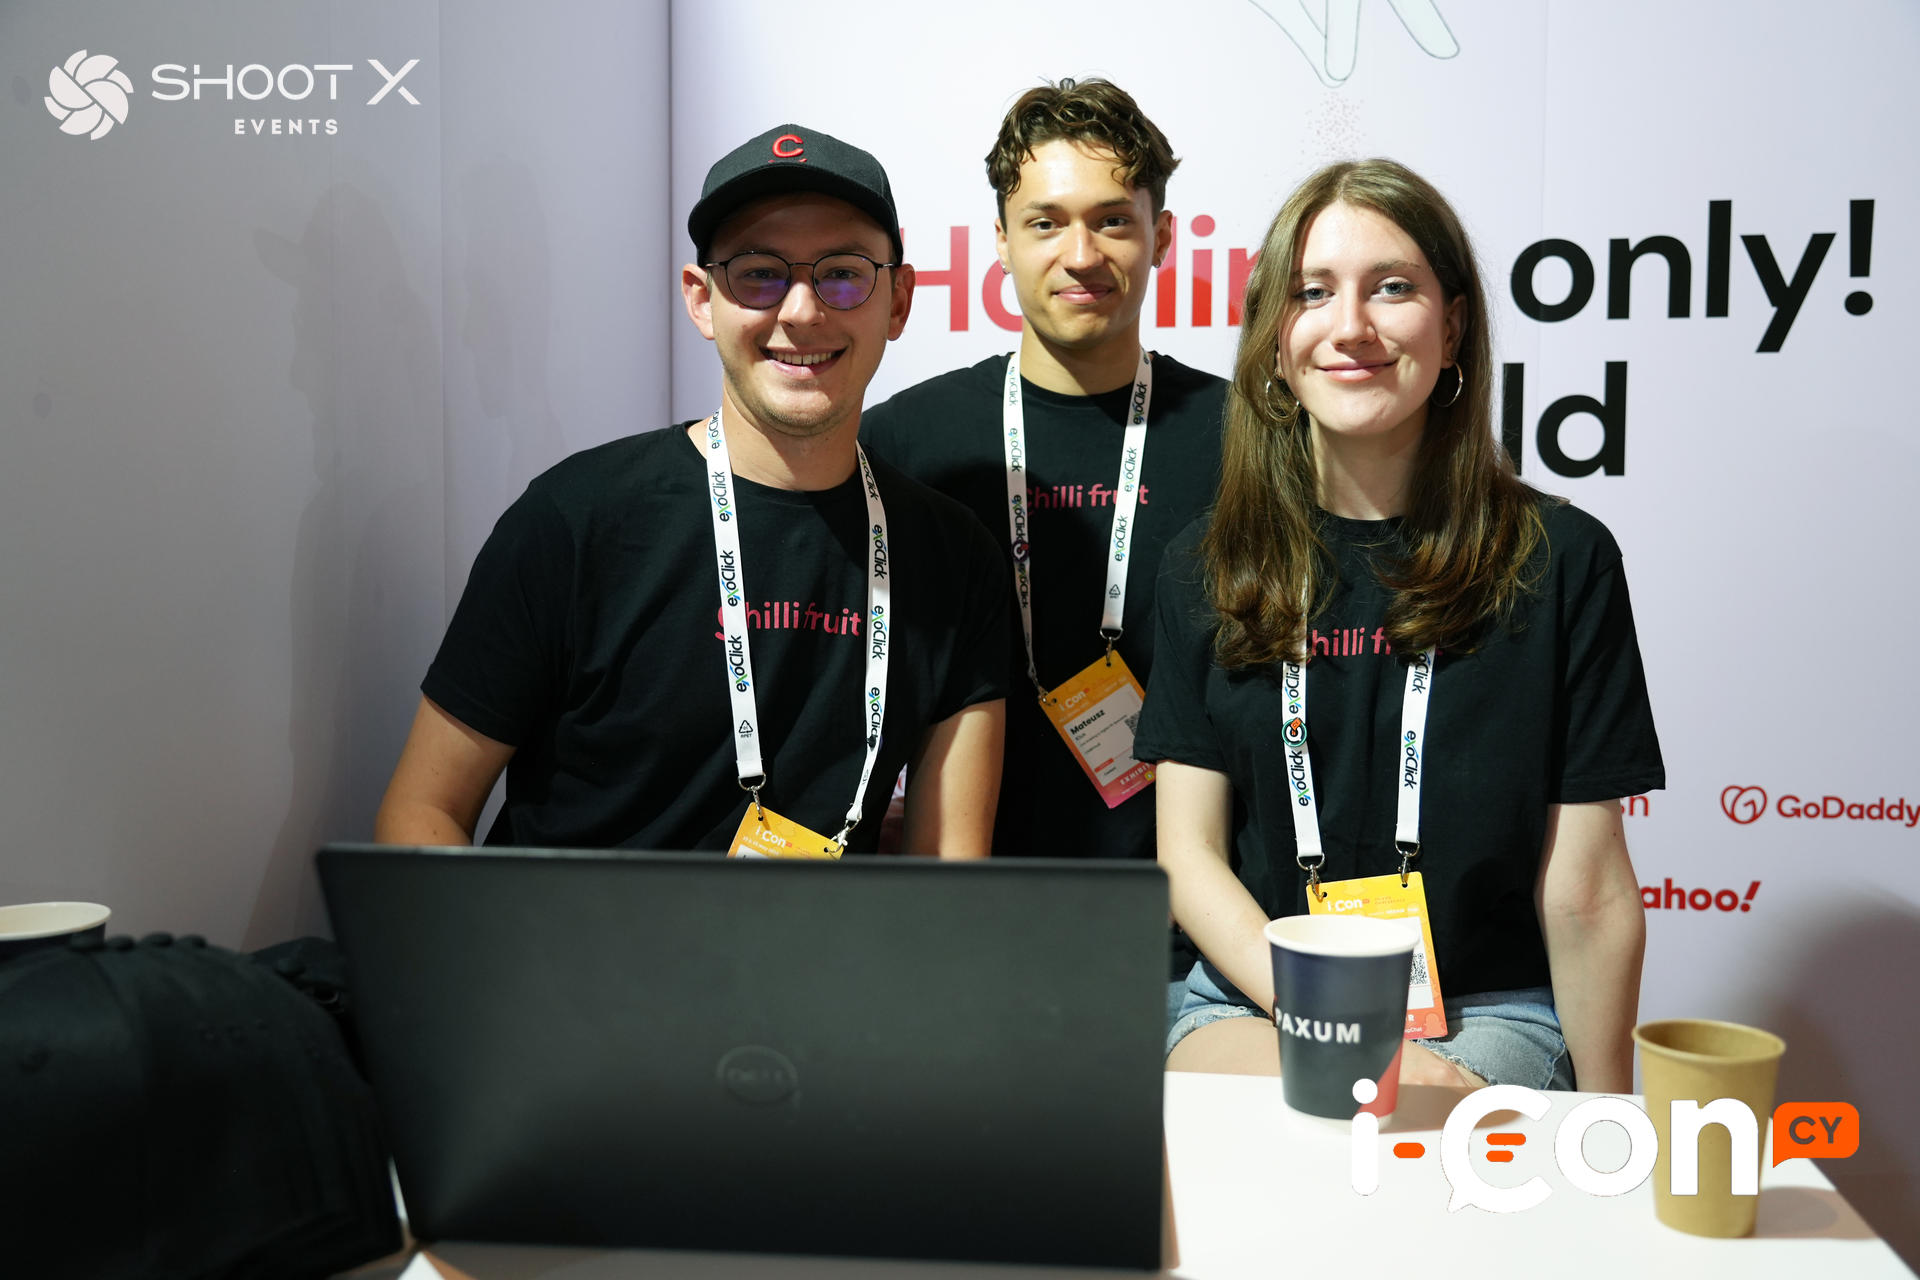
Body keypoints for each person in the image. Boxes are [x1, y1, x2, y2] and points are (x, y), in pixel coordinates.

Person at [1136, 159, 1661, 1091]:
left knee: (1407, 1116)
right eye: (1312, 293)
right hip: (1258, 999)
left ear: (1451, 327)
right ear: (1274, 340)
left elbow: (1587, 890)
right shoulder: (1204, 565)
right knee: (1260, 1123)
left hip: (1484, 1012)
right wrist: (1337, 1021)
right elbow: (1189, 854)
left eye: (1391, 288)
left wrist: (1608, 1121)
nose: (1351, 326)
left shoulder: (1561, 560)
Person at [375, 124, 1008, 859]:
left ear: (898, 301)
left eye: (843, 273)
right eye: (759, 274)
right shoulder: (577, 519)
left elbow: (949, 879)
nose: (802, 312)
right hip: (570, 936)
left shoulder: (953, 558)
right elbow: (422, 811)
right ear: (702, 300)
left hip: (814, 940)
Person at [860, 80, 1225, 891]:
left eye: (1113, 220)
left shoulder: (1244, 440)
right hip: (967, 905)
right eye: (1046, 223)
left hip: (1187, 914)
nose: (1081, 254)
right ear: (1000, 240)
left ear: (1163, 237)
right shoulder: (905, 441)